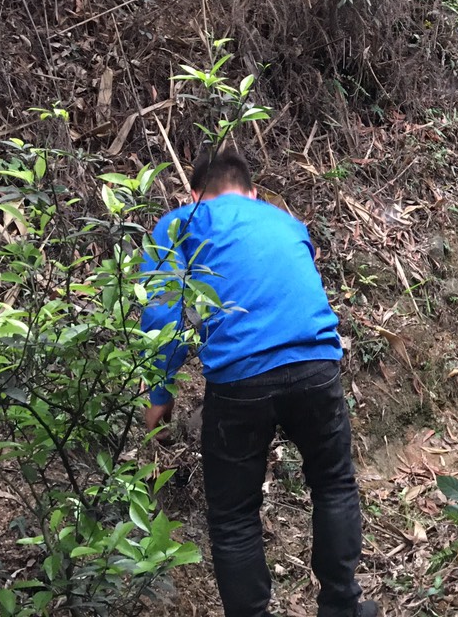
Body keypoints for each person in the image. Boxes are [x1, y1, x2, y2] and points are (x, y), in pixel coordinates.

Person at [140, 150, 377, 617]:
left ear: (195, 195)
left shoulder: (180, 223)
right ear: (252, 191)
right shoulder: (287, 223)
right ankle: (342, 606)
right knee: (333, 485)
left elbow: (164, 310)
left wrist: (159, 394)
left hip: (241, 377)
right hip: (316, 363)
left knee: (233, 518)